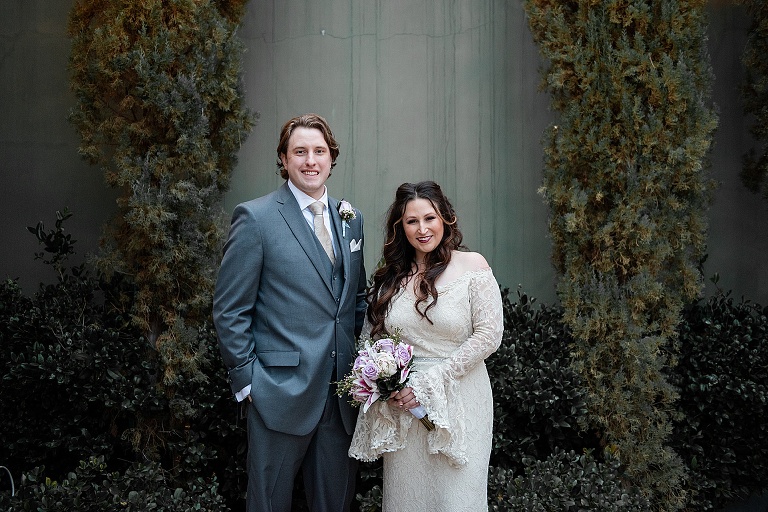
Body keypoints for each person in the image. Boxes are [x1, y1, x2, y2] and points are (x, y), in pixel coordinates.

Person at [213, 113, 367, 512]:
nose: (310, 161)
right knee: (268, 503)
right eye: (300, 151)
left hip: (341, 396)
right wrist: (247, 381)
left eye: (319, 151)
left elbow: (356, 300)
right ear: (283, 159)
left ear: (331, 158)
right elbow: (230, 309)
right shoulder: (256, 218)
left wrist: (367, 368)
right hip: (277, 392)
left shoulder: (351, 220)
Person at [348, 181, 503, 511]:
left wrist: (429, 384)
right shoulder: (390, 278)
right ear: (400, 227)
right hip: (405, 407)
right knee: (409, 498)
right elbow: (370, 342)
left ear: (445, 217)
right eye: (412, 221)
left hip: (460, 399)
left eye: (429, 218)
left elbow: (489, 335)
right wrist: (386, 384)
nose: (422, 229)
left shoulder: (472, 265)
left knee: (457, 498)